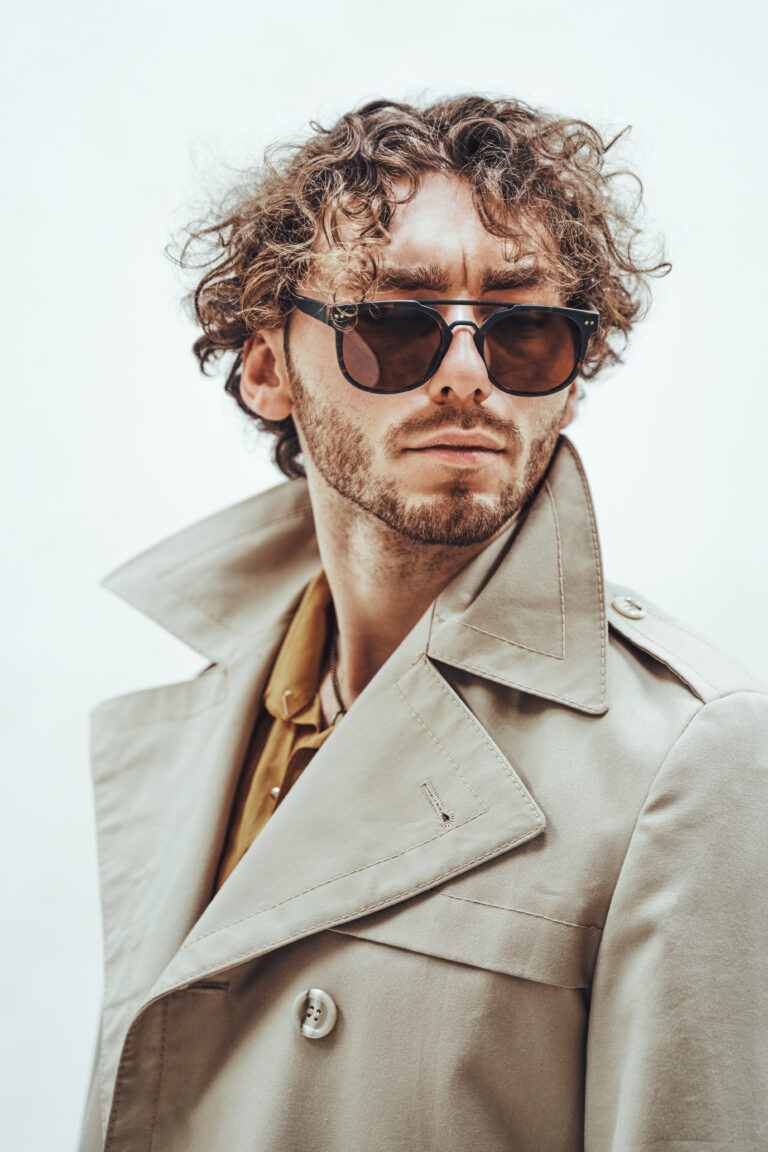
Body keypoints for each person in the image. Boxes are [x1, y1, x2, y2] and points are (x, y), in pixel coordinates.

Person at [79, 96, 768, 1152]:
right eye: (393, 326)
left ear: (574, 380)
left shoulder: (691, 757)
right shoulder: (216, 710)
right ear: (267, 369)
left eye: (524, 331)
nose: (464, 371)